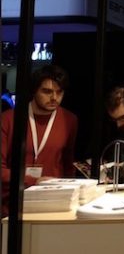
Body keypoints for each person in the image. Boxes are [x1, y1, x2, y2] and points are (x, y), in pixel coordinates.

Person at [1, 65, 78, 216]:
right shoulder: (8, 119)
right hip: (13, 203)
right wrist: (33, 180)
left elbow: (68, 164)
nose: (54, 97)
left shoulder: (69, 120)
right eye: (47, 91)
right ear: (34, 91)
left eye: (59, 92)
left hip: (53, 202)